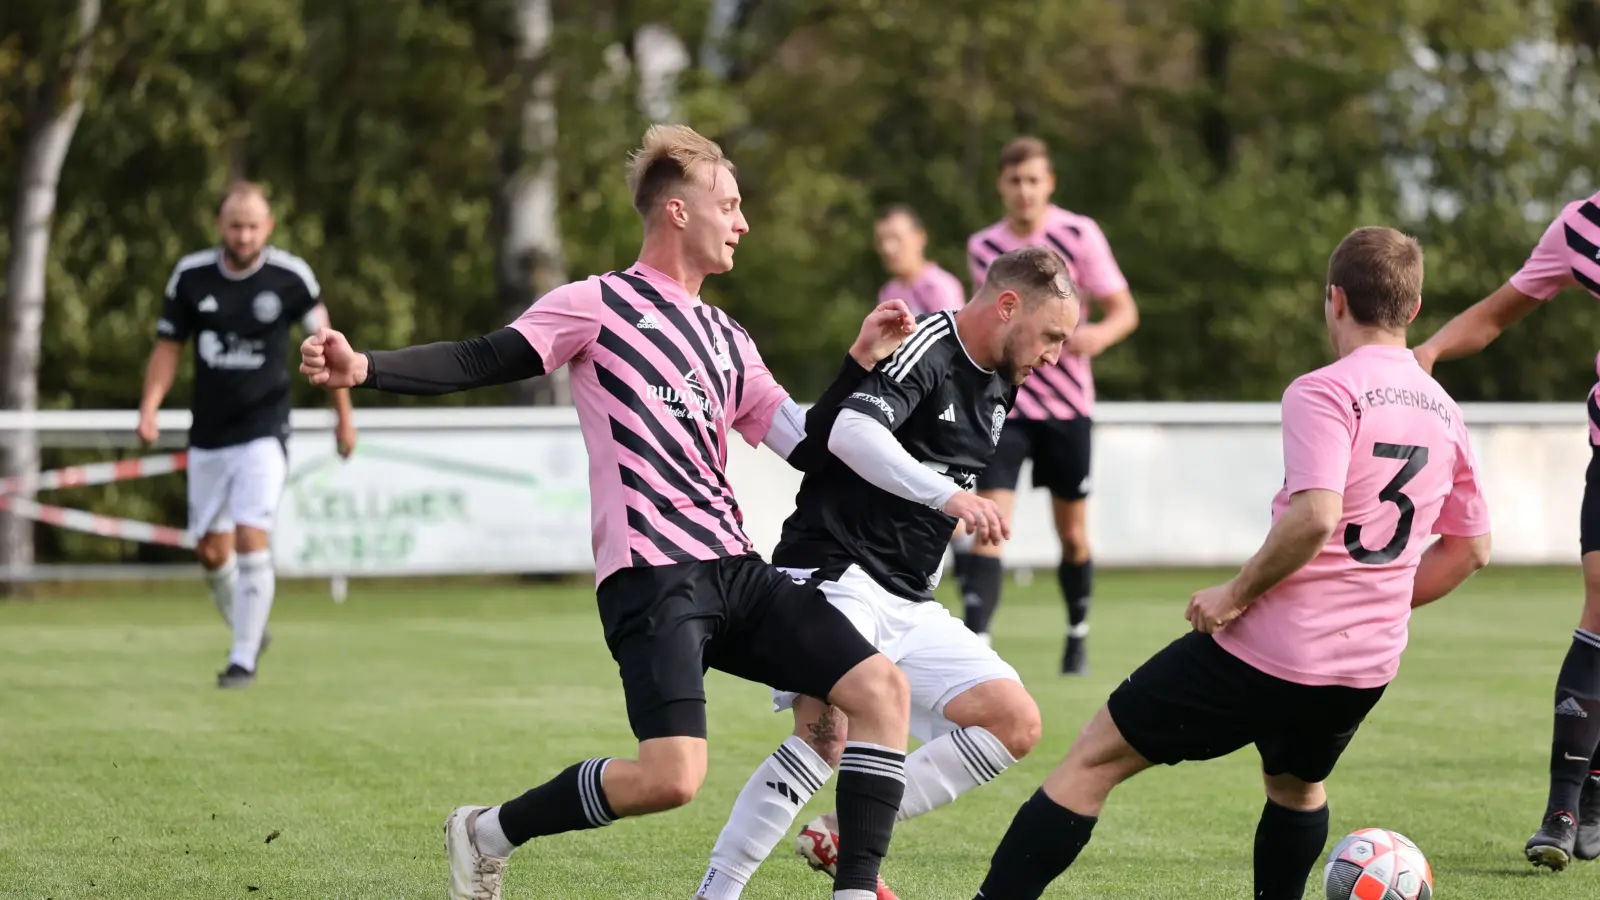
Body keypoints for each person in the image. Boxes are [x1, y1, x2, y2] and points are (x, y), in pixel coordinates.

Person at [299, 124, 920, 900]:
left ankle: (856, 891)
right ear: (678, 212)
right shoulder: (596, 303)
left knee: (879, 690)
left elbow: (807, 445)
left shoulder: (730, 336)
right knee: (672, 779)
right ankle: (487, 832)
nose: (743, 222)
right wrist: (366, 367)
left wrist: (857, 367)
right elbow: (483, 358)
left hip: (733, 568)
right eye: (729, 204)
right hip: (651, 578)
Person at [967, 226, 1492, 900]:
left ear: (1334, 299)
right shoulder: (1447, 411)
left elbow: (1316, 515)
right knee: (1296, 783)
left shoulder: (1325, 390)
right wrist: (1376, 600)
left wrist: (1236, 593)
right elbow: (1472, 549)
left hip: (1270, 650)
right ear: (1414, 309)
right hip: (1364, 666)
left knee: (1093, 758)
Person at [694, 247, 1078, 900]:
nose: (1056, 355)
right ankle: (718, 893)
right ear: (1008, 306)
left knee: (1014, 721)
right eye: (1052, 336)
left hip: (908, 594)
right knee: (825, 738)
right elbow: (848, 434)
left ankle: (846, 828)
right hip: (834, 569)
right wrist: (948, 496)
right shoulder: (927, 341)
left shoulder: (1003, 379)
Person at [1412, 189, 1600, 869]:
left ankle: (1596, 791)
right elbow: (1496, 314)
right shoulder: (1583, 224)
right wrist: (1426, 353)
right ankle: (1562, 808)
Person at [138, 181, 358, 690]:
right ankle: (249, 630)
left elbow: (331, 348)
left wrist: (343, 418)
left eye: (253, 226)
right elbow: (168, 347)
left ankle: (241, 660)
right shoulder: (190, 277)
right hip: (209, 433)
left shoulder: (291, 277)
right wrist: (149, 408)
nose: (243, 235)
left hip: (265, 429)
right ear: (220, 225)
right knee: (212, 554)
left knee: (249, 535)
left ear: (269, 227)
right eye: (235, 225)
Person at [953, 136, 1139, 673]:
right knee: (988, 521)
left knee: (1072, 532)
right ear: (1001, 186)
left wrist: (1096, 337)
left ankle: (1076, 633)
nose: (1024, 191)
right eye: (1014, 181)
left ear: (1049, 184)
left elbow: (1123, 310)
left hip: (1067, 407)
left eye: (1033, 180)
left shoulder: (1078, 234)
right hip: (1005, 404)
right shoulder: (983, 246)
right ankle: (977, 645)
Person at [874, 205, 966, 316]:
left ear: (920, 236)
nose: (887, 248)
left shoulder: (938, 287)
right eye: (881, 241)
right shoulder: (888, 292)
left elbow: (952, 331)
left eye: (896, 238)